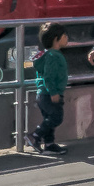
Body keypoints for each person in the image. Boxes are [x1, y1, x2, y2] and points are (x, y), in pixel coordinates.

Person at [28, 22, 70, 155]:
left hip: (43, 94)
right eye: (64, 36)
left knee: (49, 119)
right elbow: (49, 76)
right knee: (56, 117)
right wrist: (53, 92)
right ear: (56, 39)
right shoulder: (53, 56)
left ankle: (49, 144)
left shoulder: (46, 54)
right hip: (49, 94)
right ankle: (35, 136)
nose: (67, 38)